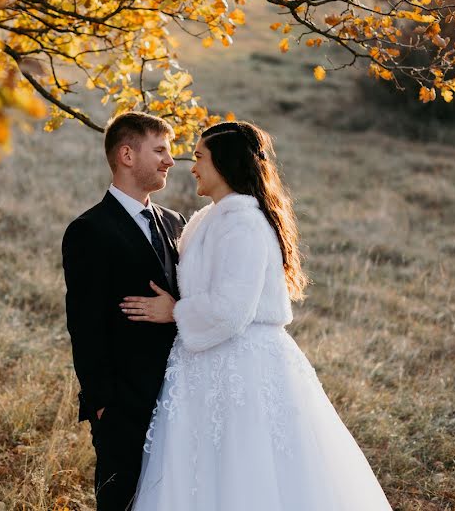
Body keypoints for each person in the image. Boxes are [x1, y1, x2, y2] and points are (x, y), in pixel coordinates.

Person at [122, 121, 392, 510]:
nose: (191, 166)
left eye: (200, 157)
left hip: (243, 366)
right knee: (198, 473)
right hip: (201, 365)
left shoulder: (244, 223)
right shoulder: (204, 219)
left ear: (225, 164)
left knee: (245, 469)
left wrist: (175, 311)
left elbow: (232, 309)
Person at [62, 112, 186, 511]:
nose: (170, 160)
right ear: (127, 155)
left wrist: (178, 311)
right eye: (161, 150)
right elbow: (85, 325)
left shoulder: (175, 221)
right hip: (123, 405)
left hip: (180, 396)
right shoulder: (89, 230)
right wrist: (103, 405)